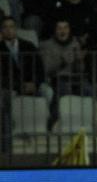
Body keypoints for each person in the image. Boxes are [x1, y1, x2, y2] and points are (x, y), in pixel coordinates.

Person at [0, 16, 51, 152]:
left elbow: (40, 68)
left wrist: (35, 83)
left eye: (11, 26)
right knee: (5, 98)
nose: (9, 30)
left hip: (33, 84)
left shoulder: (28, 45)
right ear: (2, 31)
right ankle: (9, 131)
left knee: (48, 92)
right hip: (12, 87)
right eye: (5, 27)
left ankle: (48, 123)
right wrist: (19, 86)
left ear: (16, 29)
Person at [39, 19, 86, 131]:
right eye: (59, 28)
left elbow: (80, 70)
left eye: (65, 28)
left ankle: (85, 123)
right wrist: (62, 62)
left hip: (74, 79)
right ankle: (55, 119)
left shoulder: (75, 44)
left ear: (69, 30)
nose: (62, 31)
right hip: (55, 79)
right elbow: (47, 69)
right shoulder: (47, 45)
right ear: (55, 30)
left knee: (88, 89)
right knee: (64, 88)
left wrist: (79, 61)